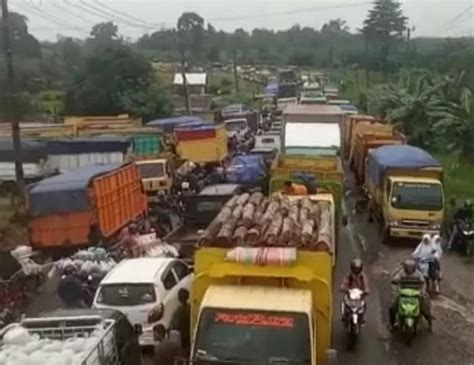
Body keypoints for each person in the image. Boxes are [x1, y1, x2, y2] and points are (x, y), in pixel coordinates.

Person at [389, 259, 433, 332]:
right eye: (408, 267)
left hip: (416, 294)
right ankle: (393, 324)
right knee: (392, 309)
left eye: (411, 267)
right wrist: (395, 281)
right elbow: (396, 279)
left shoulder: (418, 274)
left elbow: (423, 282)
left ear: (414, 267)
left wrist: (422, 291)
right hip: (403, 294)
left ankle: (429, 322)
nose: (409, 269)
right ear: (405, 267)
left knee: (425, 309)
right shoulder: (401, 273)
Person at [340, 258, 370, 324]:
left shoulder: (362, 276)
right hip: (350, 293)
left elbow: (365, 284)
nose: (356, 271)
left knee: (363, 304)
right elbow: (345, 282)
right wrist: (343, 288)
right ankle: (344, 315)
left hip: (359, 294)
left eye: (357, 269)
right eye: (355, 269)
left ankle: (362, 317)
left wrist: (366, 290)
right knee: (344, 302)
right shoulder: (349, 275)